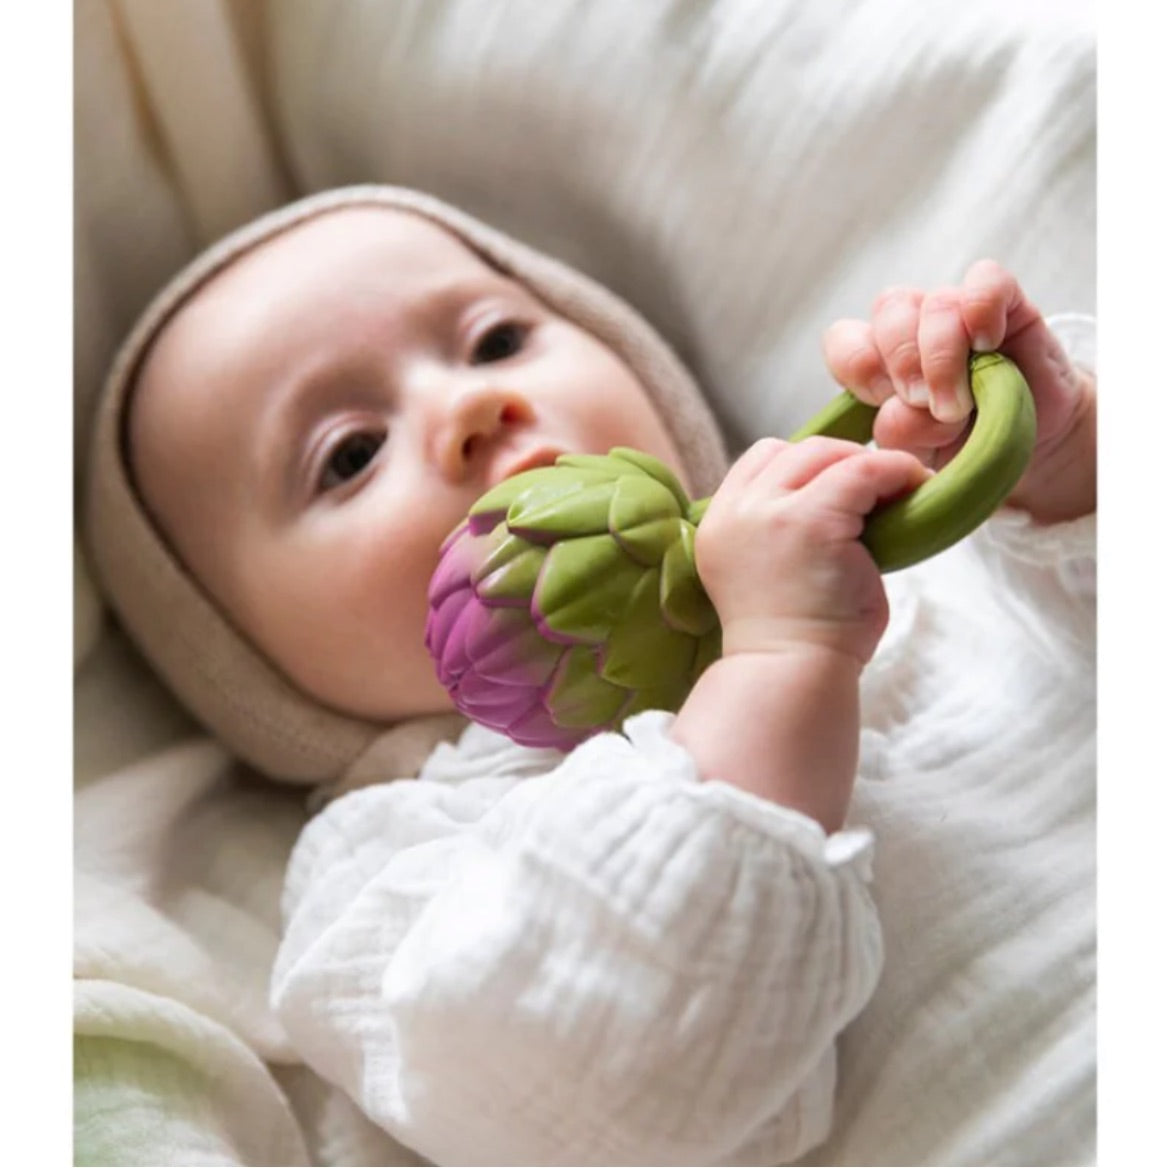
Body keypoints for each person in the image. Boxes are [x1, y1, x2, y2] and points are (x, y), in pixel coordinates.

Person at [84, 185, 1096, 1165]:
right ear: (255, 668)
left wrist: (1060, 463)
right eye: (348, 455)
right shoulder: (390, 868)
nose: (472, 405)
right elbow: (591, 1082)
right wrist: (779, 659)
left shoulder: (896, 546)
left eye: (495, 341)